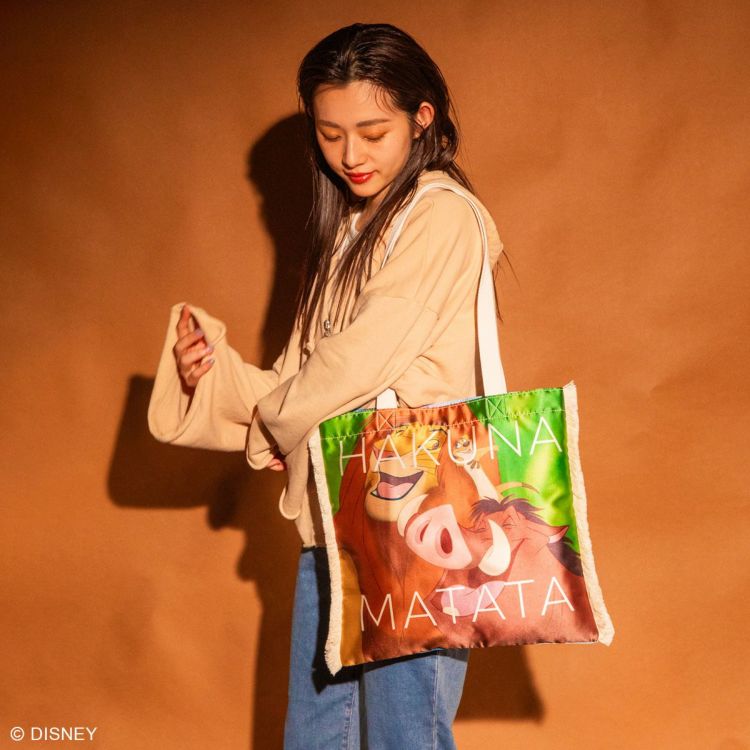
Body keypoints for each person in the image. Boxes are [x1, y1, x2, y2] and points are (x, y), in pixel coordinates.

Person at [147, 22, 507, 750]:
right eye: (331, 133)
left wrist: (274, 422)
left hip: (414, 526)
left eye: (373, 133)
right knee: (316, 735)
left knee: (404, 735)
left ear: (422, 118)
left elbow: (356, 364)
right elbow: (303, 377)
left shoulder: (441, 216)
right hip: (336, 515)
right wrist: (213, 374)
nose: (350, 155)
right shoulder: (351, 227)